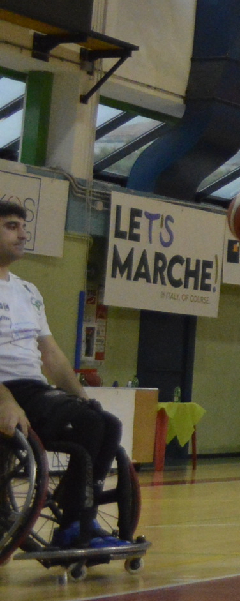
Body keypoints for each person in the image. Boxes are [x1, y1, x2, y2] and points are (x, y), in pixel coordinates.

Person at [0, 199, 124, 550]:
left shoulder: (29, 292)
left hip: (32, 391)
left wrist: (82, 398)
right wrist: (5, 400)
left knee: (106, 422)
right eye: (11, 226)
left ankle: (79, 518)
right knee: (91, 425)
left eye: (24, 227)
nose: (23, 234)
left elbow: (51, 356)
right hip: (5, 391)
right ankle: (73, 526)